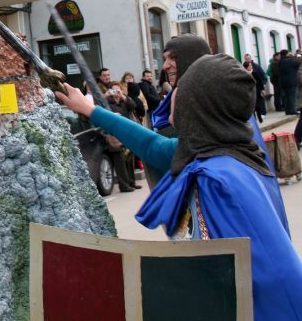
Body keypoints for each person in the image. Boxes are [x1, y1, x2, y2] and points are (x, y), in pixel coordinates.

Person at [55, 55, 301, 321]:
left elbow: (210, 279)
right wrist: (92, 109)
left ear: (200, 109)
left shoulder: (214, 180)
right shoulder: (238, 152)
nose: (171, 114)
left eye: (180, 104)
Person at [105, 82, 141, 192]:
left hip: (126, 134)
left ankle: (131, 182)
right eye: (114, 90)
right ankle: (124, 185)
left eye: (118, 90)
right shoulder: (107, 103)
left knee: (129, 159)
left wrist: (123, 97)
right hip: (114, 136)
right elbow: (99, 107)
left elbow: (134, 106)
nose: (116, 93)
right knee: (120, 162)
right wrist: (104, 96)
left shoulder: (124, 102)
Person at [277, 49, 300, 115]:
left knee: (286, 97)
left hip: (283, 82)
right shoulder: (290, 60)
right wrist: (294, 56)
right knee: (292, 96)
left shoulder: (280, 61)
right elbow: (297, 63)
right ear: (287, 54)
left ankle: (287, 110)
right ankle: (292, 110)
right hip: (291, 81)